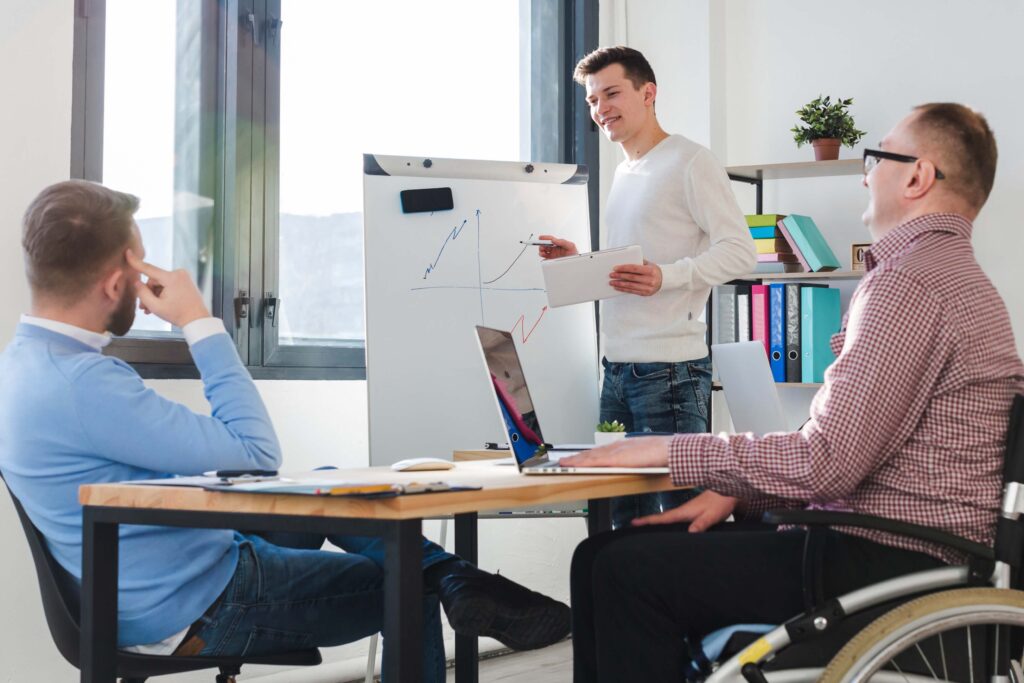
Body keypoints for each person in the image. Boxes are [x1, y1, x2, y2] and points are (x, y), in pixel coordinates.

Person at [0, 180, 570, 680]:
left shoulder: (24, 366)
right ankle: (448, 578)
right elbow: (254, 454)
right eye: (141, 263)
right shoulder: (84, 385)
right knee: (407, 587)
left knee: (324, 487)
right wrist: (199, 322)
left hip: (151, 582)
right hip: (198, 604)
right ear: (114, 282)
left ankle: (455, 576)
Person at [560, 103, 1024, 682]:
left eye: (874, 157)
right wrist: (738, 492)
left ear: (916, 176)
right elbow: (852, 454)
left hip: (884, 560)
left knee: (614, 568)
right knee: (619, 555)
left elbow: (825, 462)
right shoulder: (951, 277)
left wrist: (667, 449)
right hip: (906, 546)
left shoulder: (909, 284)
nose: (864, 171)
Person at [538, 46, 757, 528]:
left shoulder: (690, 161)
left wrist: (668, 275)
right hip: (616, 369)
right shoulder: (623, 172)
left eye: (612, 93)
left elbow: (740, 250)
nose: (601, 109)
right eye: (593, 100)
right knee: (616, 522)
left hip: (669, 374)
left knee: (680, 528)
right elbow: (630, 273)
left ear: (648, 92)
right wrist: (580, 264)